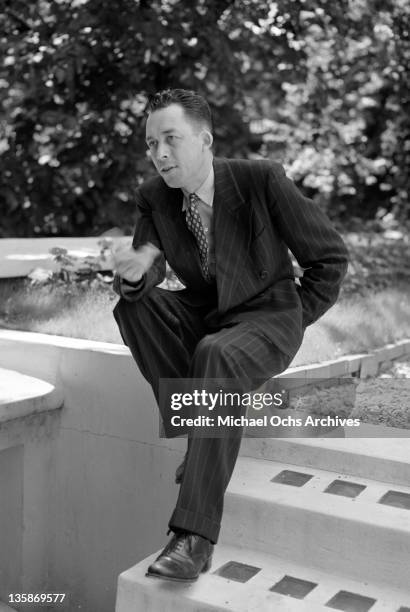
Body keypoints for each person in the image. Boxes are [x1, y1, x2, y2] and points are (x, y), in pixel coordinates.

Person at [112, 88, 348, 582]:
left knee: (215, 353)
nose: (159, 154)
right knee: (135, 310)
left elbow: (329, 259)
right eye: (151, 143)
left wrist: (293, 317)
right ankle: (203, 433)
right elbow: (146, 269)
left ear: (205, 140)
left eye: (170, 139)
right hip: (210, 312)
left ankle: (194, 540)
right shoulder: (156, 198)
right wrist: (136, 273)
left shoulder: (260, 179)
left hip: (268, 316)